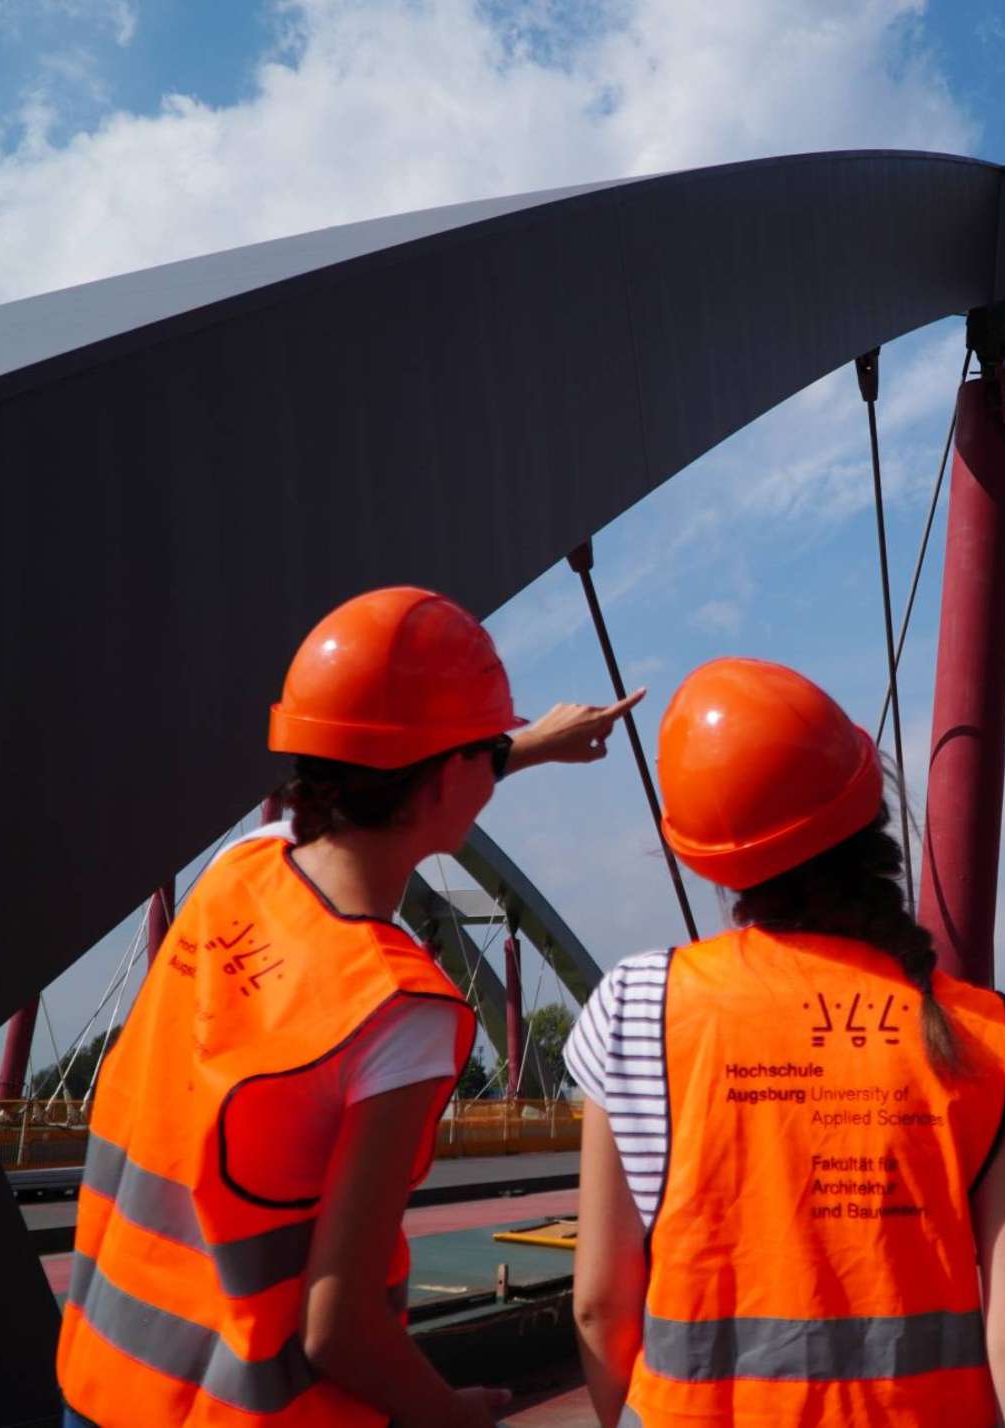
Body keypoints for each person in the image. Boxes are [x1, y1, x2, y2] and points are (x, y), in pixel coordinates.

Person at [56, 586, 637, 1428]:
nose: (497, 763)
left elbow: (399, 766)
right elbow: (341, 1330)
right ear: (444, 780)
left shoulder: (241, 869)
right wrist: (451, 1414)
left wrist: (524, 746)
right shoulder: (399, 1010)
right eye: (488, 750)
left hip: (101, 1384)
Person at [569, 658, 1005, 1426]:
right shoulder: (985, 1033)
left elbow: (598, 1308)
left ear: (708, 854)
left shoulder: (637, 1007)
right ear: (868, 810)